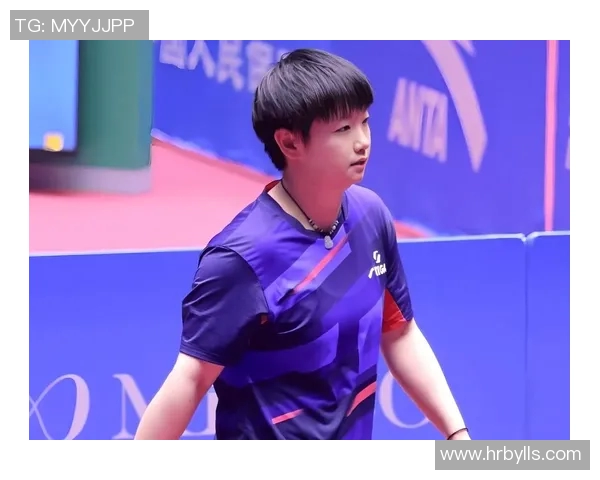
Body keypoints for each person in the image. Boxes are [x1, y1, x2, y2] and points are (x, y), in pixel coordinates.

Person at [134, 48, 470, 440]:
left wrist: (457, 436)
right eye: (343, 130)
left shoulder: (370, 216)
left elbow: (399, 332)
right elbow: (190, 380)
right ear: (290, 143)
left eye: (364, 122)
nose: (362, 142)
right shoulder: (242, 259)